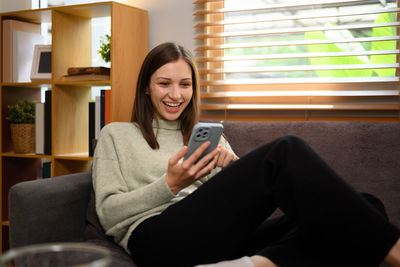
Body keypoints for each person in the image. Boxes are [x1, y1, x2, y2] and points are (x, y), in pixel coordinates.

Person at [92, 42, 400, 267]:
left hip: (219, 242)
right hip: (158, 240)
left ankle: (254, 265)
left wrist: (233, 169)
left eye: (184, 85)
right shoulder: (116, 134)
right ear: (146, 87)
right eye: (164, 84)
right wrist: (170, 184)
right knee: (284, 151)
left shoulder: (209, 136)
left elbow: (233, 204)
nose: (175, 95)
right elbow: (108, 214)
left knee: (366, 206)